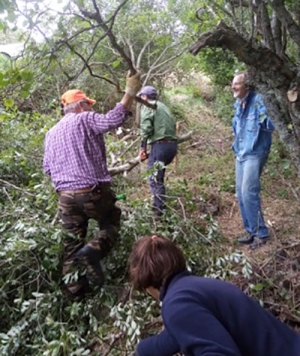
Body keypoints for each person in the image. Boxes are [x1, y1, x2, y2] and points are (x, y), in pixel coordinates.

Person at [43, 72, 141, 301]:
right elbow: (113, 119)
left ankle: (75, 297)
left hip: (65, 197)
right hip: (91, 191)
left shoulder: (51, 134)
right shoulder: (84, 119)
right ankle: (93, 251)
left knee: (71, 246)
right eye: (88, 105)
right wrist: (130, 92)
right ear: (81, 106)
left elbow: (47, 169)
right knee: (111, 220)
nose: (90, 109)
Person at [129, 235, 300, 356]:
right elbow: (175, 336)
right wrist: (142, 350)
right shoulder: (193, 289)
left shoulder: (177, 304)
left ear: (146, 281)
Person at [231, 72, 275, 250]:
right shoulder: (238, 103)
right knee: (240, 193)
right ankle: (250, 230)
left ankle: (261, 233)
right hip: (241, 153)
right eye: (232, 83)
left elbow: (271, 124)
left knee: (249, 192)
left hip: (255, 152)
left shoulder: (259, 101)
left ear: (247, 86)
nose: (233, 87)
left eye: (237, 84)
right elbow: (237, 127)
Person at [138, 86, 177, 217]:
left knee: (154, 179)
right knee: (158, 178)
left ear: (144, 97)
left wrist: (142, 147)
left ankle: (159, 213)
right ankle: (158, 206)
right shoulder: (163, 107)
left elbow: (146, 128)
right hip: (171, 146)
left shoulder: (148, 106)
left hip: (160, 146)